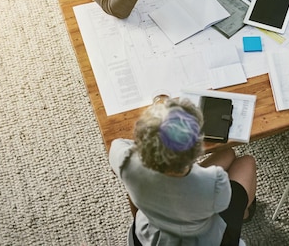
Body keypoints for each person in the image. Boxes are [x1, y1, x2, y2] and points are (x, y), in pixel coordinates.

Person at [109, 96, 257, 246]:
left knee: (227, 154)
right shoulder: (213, 181)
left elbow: (117, 145)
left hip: (149, 238)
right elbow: (222, 204)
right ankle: (244, 214)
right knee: (246, 162)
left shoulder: (128, 163)